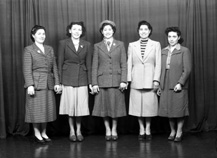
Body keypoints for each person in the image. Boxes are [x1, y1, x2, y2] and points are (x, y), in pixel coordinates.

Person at [23, 25, 60, 143]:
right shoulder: (28, 49)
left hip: (49, 82)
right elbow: (27, 69)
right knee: (36, 109)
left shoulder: (49, 49)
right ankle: (37, 132)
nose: (42, 36)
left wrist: (57, 82)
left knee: (47, 109)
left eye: (43, 34)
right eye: (39, 34)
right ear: (33, 36)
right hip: (36, 84)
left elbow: (54, 67)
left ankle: (44, 132)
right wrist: (30, 85)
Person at [92, 20, 127, 141]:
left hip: (117, 81)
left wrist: (124, 80)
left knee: (115, 107)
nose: (107, 32)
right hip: (102, 81)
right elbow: (94, 65)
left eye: (109, 29)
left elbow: (124, 63)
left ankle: (114, 129)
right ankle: (107, 129)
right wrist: (94, 83)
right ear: (102, 32)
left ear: (113, 31)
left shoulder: (120, 44)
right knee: (104, 107)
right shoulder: (97, 46)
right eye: (105, 30)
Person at [58, 22, 93, 142]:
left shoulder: (87, 44)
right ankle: (71, 131)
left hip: (82, 78)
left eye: (79, 29)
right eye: (74, 29)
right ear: (69, 31)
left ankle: (79, 131)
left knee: (80, 107)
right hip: (67, 78)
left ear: (82, 32)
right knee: (70, 106)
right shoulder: (63, 43)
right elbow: (60, 63)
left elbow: (89, 64)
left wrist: (90, 83)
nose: (77, 31)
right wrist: (59, 82)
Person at [127, 20, 161, 141]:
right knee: (137, 107)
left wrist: (156, 80)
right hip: (136, 80)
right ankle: (141, 129)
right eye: (141, 29)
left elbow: (158, 64)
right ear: (138, 31)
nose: (143, 31)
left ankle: (148, 128)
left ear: (150, 31)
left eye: (146, 29)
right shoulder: (132, 45)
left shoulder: (156, 44)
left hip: (150, 80)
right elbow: (129, 63)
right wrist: (128, 80)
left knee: (149, 107)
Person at [158, 27, 192, 142]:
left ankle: (179, 131)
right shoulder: (163, 51)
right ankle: (172, 131)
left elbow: (187, 70)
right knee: (169, 109)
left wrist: (180, 83)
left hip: (178, 82)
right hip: (165, 81)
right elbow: (160, 69)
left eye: (174, 36)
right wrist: (159, 85)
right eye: (169, 36)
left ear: (178, 38)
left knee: (178, 109)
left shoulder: (184, 50)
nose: (171, 39)